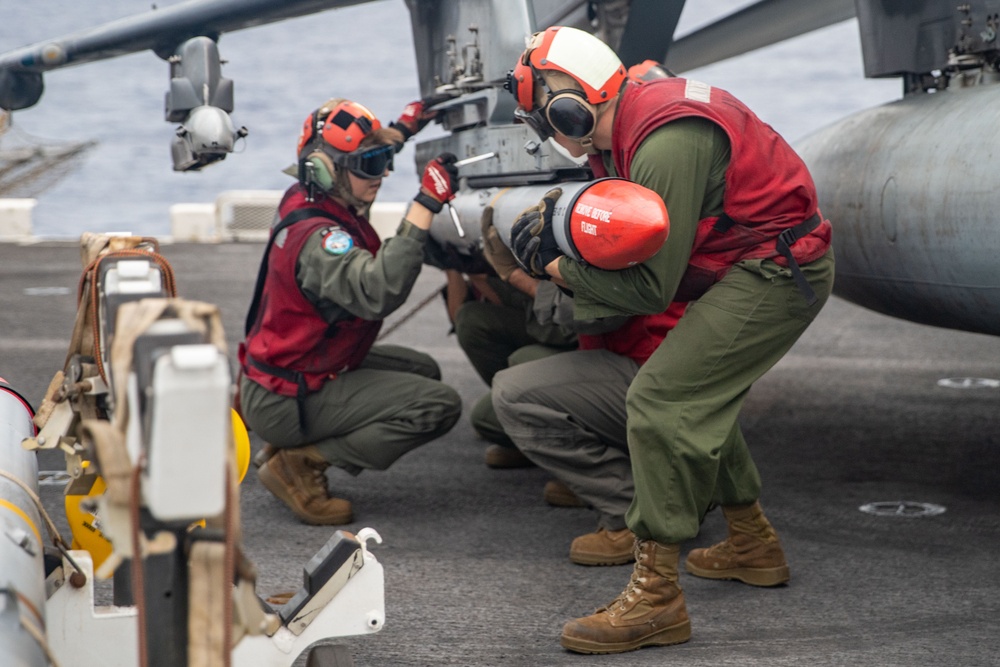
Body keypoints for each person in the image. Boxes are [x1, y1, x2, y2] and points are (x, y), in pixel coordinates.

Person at [504, 26, 835, 653]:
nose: (545, 127)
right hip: (750, 261)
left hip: (773, 271)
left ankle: (656, 597)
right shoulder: (632, 121)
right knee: (695, 384)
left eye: (542, 110)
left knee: (659, 400)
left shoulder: (663, 139)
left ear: (568, 104)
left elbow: (652, 290)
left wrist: (552, 268)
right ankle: (752, 542)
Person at [238, 98, 463, 525]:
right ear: (328, 171)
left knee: (422, 371)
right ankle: (301, 463)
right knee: (437, 405)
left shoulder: (310, 196)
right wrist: (425, 205)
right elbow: (379, 290)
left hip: (289, 371)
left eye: (382, 160)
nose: (383, 173)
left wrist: (404, 129)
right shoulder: (321, 239)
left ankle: (292, 447)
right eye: (371, 164)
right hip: (287, 397)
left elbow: (365, 162)